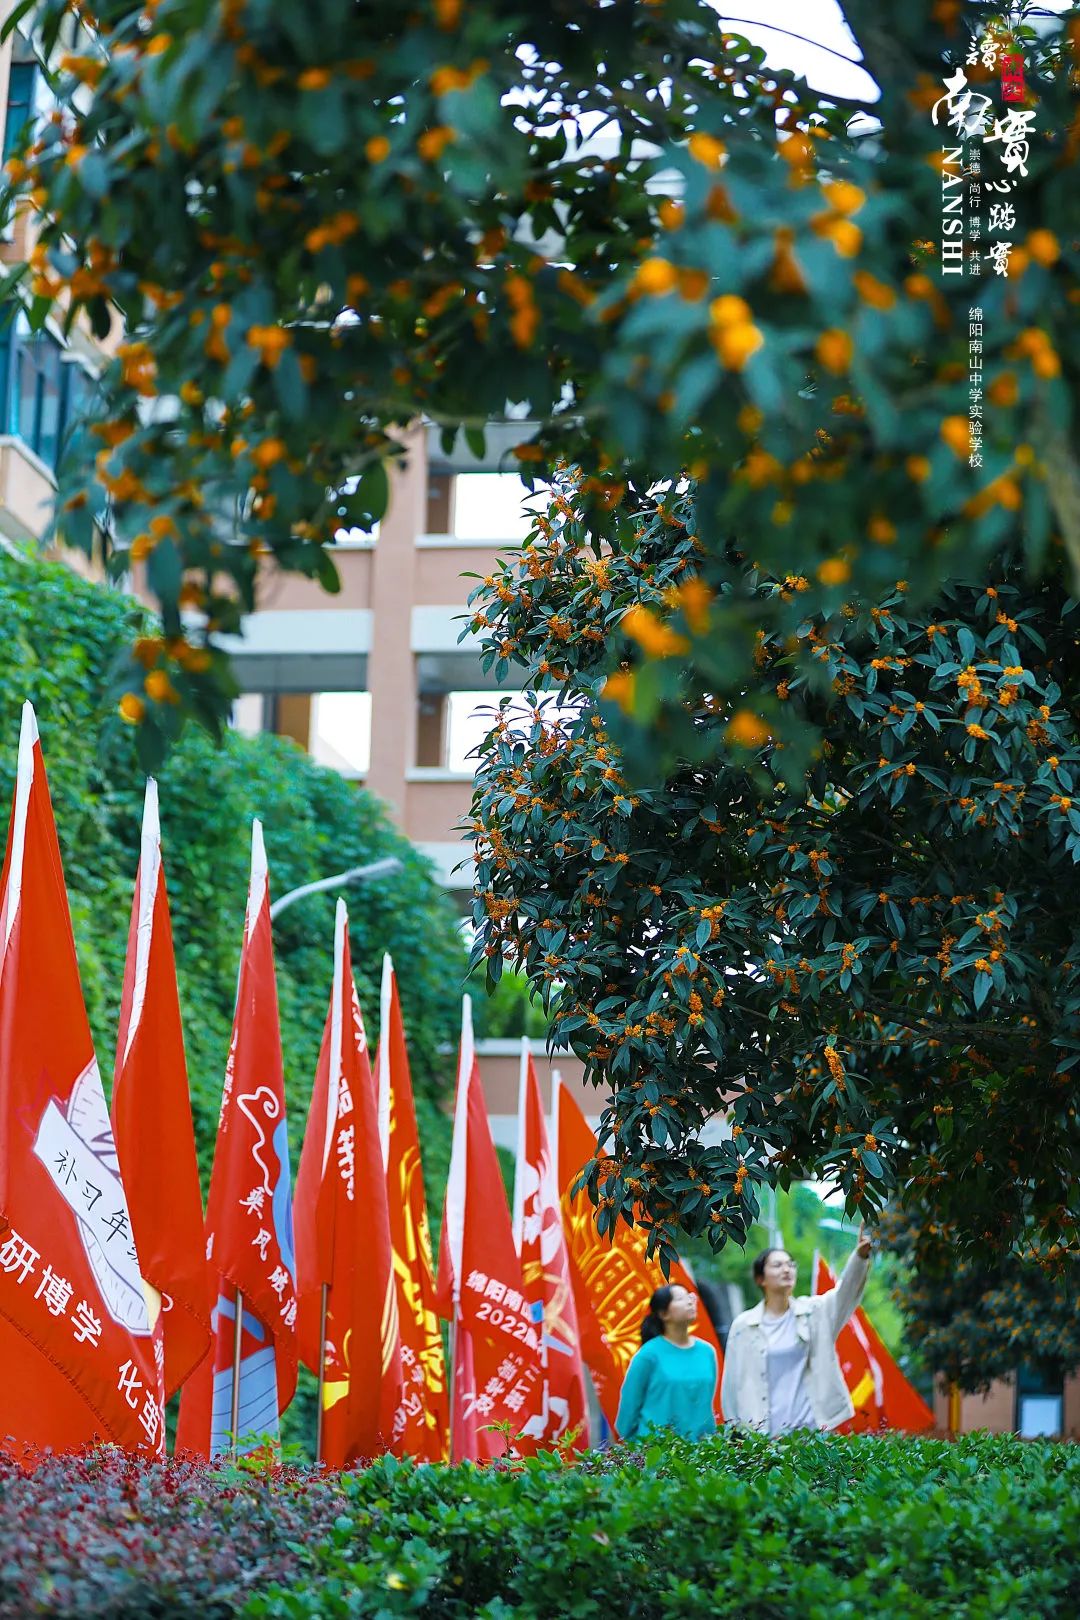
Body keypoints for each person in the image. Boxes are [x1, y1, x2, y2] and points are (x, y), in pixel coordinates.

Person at [721, 1225, 873, 1435]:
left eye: (790, 1265)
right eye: (777, 1265)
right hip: (763, 1437)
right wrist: (735, 1432)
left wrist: (860, 1258)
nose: (787, 1269)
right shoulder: (743, 1326)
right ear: (760, 1279)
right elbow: (731, 1384)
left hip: (810, 1434)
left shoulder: (813, 1313)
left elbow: (844, 1294)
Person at [615, 1283, 718, 1442]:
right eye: (681, 1298)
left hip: (702, 1453)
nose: (690, 1301)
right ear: (663, 1314)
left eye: (690, 1296)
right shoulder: (648, 1355)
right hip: (658, 1453)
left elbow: (706, 1404)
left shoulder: (707, 1352)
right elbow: (628, 1410)